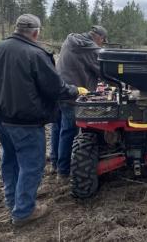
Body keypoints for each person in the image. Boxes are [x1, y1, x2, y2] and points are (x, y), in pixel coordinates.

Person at [0, 14, 88, 226]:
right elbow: (56, 88)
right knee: (31, 164)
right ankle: (24, 211)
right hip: (26, 121)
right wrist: (75, 90)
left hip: (0, 118)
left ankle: (12, 201)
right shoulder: (36, 54)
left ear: (17, 28)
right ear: (36, 32)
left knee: (10, 160)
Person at [50, 25, 108, 183]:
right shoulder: (90, 49)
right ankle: (63, 171)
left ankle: (55, 163)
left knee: (58, 128)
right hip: (73, 95)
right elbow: (103, 71)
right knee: (69, 132)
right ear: (99, 37)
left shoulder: (70, 39)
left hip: (59, 89)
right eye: (103, 41)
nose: (101, 45)